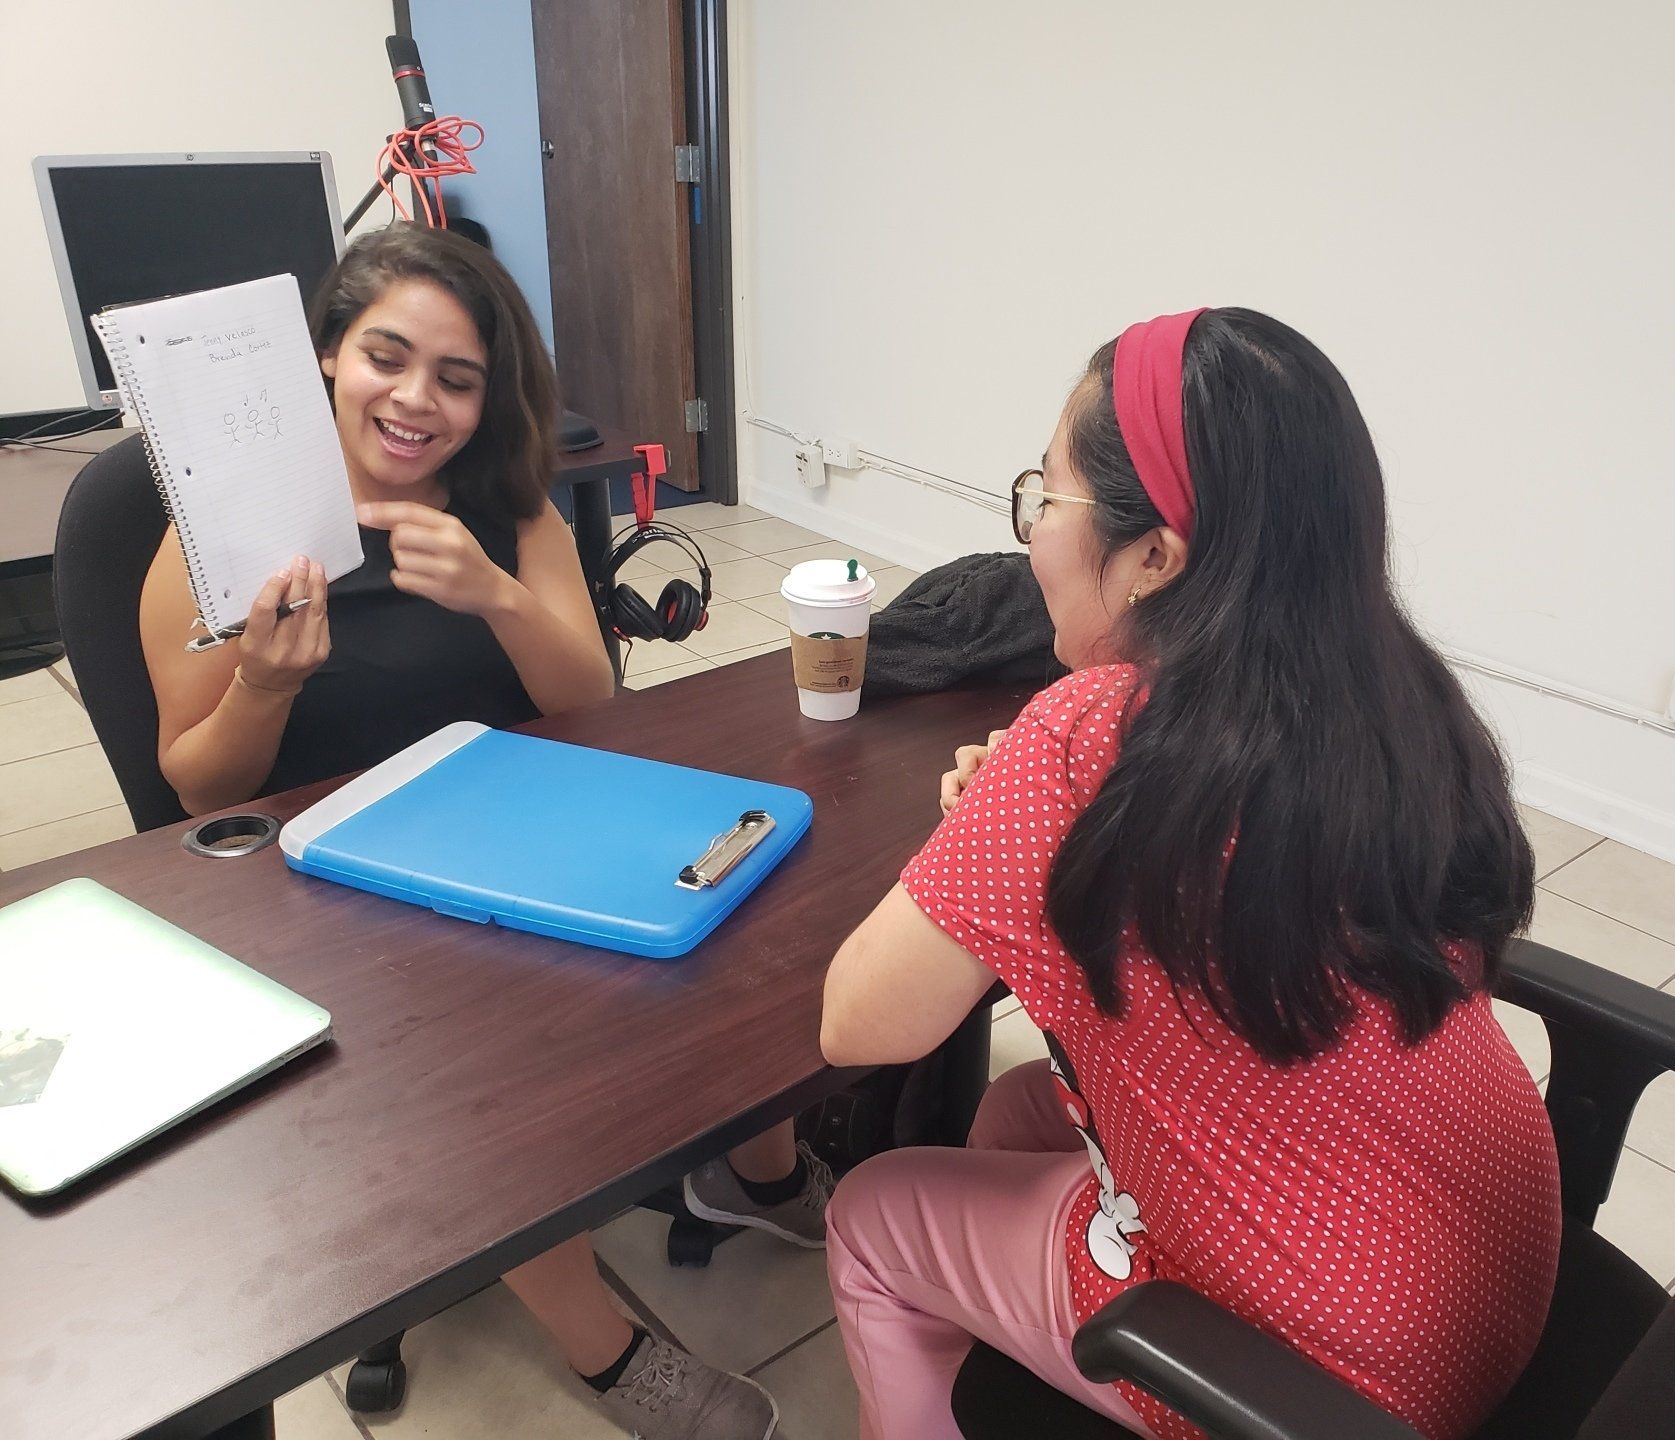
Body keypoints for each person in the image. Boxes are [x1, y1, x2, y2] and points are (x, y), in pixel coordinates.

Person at [817, 307, 1560, 1440]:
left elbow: (860, 1024)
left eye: (1046, 500)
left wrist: (1006, 819)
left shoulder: (1084, 735)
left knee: (874, 1214)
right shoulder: (1401, 704)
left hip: (1327, 1387)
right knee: (1021, 1108)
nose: (1030, 538)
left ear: (1156, 555)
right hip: (1491, 1294)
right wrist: (1018, 841)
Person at [139, 223, 821, 1439]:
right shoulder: (223, 544)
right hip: (330, 889)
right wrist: (263, 682)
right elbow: (196, 788)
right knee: (477, 1090)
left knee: (728, 912)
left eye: (457, 379)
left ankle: (752, 1173)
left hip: (510, 830)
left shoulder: (512, 513)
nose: (418, 402)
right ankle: (608, 1356)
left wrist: (494, 592)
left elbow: (586, 701)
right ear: (324, 365)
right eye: (385, 360)